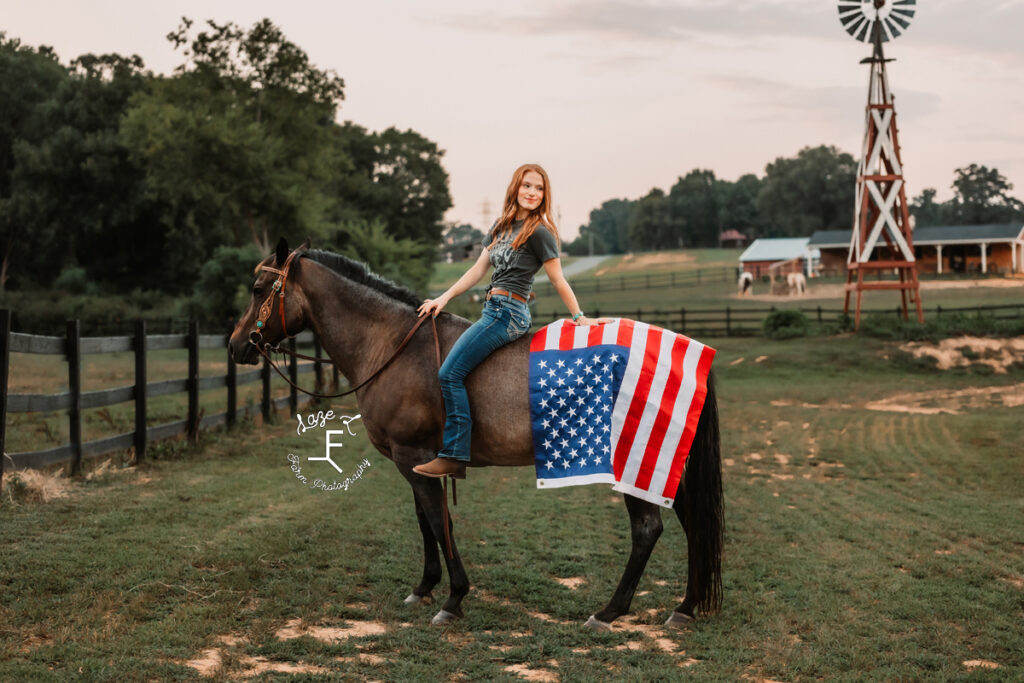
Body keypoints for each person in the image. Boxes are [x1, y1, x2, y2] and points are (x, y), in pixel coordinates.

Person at [413, 163, 608, 478]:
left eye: (539, 188)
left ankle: (454, 453)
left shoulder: (539, 232)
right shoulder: (500, 227)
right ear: (516, 188)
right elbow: (478, 271)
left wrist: (579, 316)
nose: (532, 193)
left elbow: (558, 279)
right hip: (492, 309)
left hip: (509, 313)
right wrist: (443, 298)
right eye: (527, 186)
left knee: (449, 374)